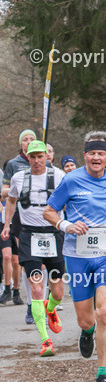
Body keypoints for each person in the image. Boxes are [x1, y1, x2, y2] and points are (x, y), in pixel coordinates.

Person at [43, 131, 106, 382]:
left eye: (101, 154)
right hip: (78, 255)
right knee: (86, 320)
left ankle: (103, 374)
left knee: (105, 311)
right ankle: (88, 332)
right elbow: (49, 211)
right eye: (92, 153)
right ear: (85, 155)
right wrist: (66, 225)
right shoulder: (71, 180)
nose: (97, 158)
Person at [2, 140, 66, 356]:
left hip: (54, 234)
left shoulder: (59, 176)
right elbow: (11, 201)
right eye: (33, 157)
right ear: (27, 157)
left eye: (40, 156)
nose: (37, 160)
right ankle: (45, 340)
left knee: (58, 291)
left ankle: (50, 307)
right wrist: (7, 225)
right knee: (36, 287)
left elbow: (69, 202)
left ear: (47, 156)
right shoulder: (18, 178)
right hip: (29, 235)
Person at [0, 129, 37, 306]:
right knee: (19, 258)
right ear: (20, 143)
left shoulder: (42, 161)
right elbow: (4, 192)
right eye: (25, 139)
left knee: (35, 262)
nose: (28, 142)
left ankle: (29, 295)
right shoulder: (13, 164)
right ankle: (15, 292)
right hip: (17, 217)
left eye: (32, 139)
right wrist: (20, 188)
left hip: (38, 217)